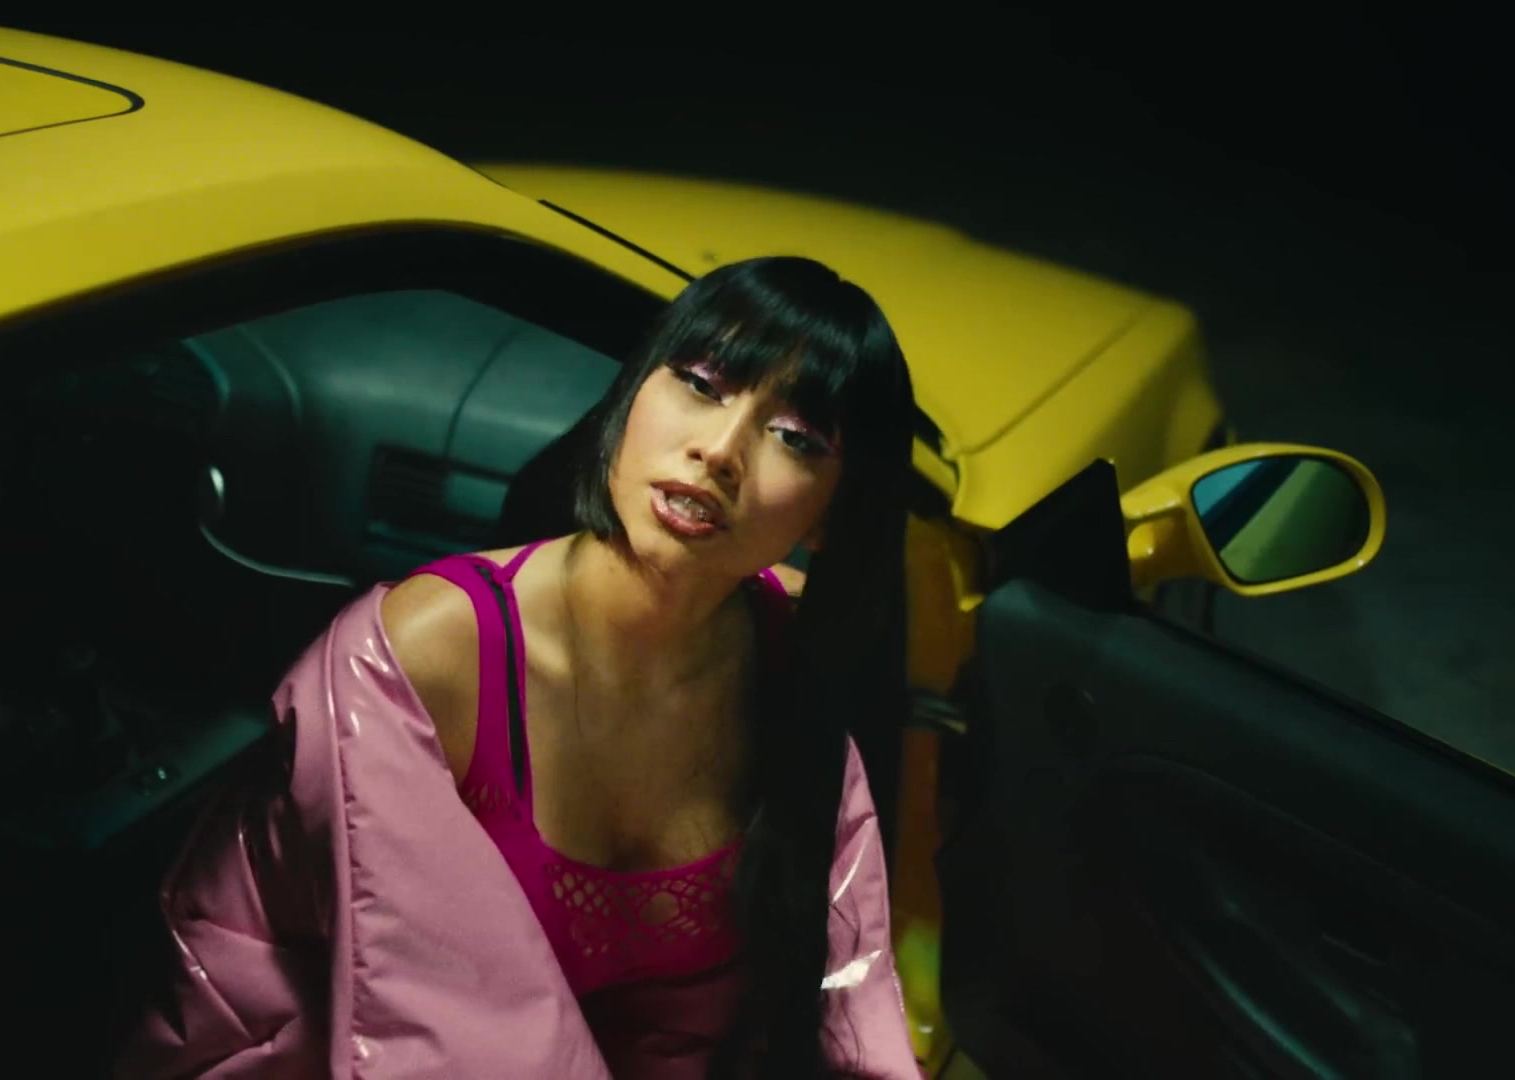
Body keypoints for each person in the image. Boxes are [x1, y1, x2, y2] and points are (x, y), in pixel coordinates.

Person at [116, 256, 920, 1078]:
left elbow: (840, 991)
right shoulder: (419, 655)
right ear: (633, 392)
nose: (719, 451)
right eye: (701, 384)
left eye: (795, 438)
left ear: (831, 517)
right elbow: (441, 1039)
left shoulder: (789, 655)